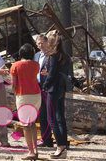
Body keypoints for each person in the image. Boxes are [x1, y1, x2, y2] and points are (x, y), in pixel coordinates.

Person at [40, 31, 70, 159]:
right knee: (60, 118)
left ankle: (60, 146)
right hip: (61, 89)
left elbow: (51, 74)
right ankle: (63, 145)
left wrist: (45, 85)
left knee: (52, 119)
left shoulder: (52, 56)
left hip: (52, 90)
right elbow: (59, 72)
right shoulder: (65, 56)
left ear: (51, 42)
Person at [11, 43, 43, 160]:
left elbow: (14, 85)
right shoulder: (36, 65)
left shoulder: (15, 65)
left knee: (26, 125)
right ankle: (36, 149)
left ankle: (31, 151)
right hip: (36, 95)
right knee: (32, 123)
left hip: (23, 95)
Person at [33, 34, 53, 148]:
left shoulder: (51, 55)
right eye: (38, 43)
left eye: (42, 43)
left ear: (46, 42)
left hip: (48, 87)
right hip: (38, 86)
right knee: (42, 115)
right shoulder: (36, 56)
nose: (40, 45)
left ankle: (56, 139)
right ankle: (46, 140)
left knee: (50, 114)